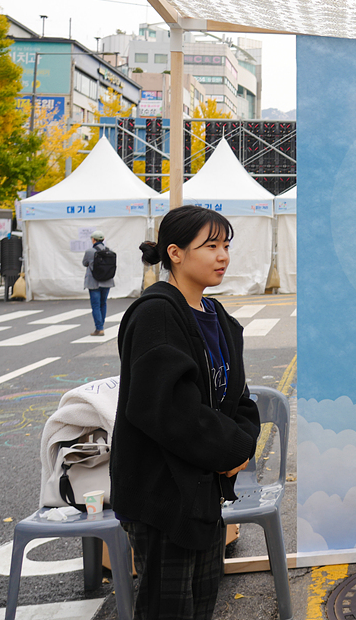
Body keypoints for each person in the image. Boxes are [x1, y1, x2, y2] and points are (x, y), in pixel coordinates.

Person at [112, 205, 261, 620]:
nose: (223, 256)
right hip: (163, 492)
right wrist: (230, 451)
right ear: (175, 253)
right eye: (210, 246)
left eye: (226, 245)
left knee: (202, 602)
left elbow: (239, 399)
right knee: (168, 608)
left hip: (203, 489)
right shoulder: (157, 313)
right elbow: (165, 408)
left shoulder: (217, 316)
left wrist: (242, 446)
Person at [82, 231, 116, 337]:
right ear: (103, 239)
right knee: (103, 303)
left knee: (96, 305)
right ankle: (101, 325)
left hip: (94, 282)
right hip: (107, 281)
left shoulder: (89, 251)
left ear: (93, 240)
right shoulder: (110, 251)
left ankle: (99, 328)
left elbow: (84, 263)